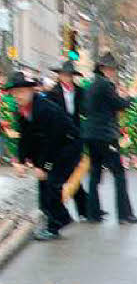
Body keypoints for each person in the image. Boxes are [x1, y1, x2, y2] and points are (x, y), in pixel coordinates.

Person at [4, 70, 82, 241]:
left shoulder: (45, 108)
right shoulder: (22, 110)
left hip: (67, 148)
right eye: (15, 92)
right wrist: (20, 160)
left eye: (22, 91)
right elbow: (25, 137)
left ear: (32, 91)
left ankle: (55, 225)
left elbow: (54, 140)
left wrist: (44, 166)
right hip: (48, 148)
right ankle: (60, 219)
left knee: (52, 184)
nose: (18, 96)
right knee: (44, 187)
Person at [81, 52, 137, 225]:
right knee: (119, 174)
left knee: (94, 174)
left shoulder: (91, 86)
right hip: (105, 136)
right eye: (111, 69)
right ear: (104, 69)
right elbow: (120, 105)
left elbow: (85, 109)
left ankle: (93, 213)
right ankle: (124, 214)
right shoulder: (106, 85)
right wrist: (132, 96)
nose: (113, 72)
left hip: (91, 135)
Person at [47, 60, 88, 219]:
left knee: (74, 173)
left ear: (73, 77)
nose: (66, 78)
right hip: (60, 136)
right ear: (59, 76)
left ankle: (83, 210)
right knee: (64, 175)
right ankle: (68, 211)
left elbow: (84, 110)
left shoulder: (80, 92)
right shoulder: (53, 93)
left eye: (69, 75)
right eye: (64, 75)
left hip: (76, 135)